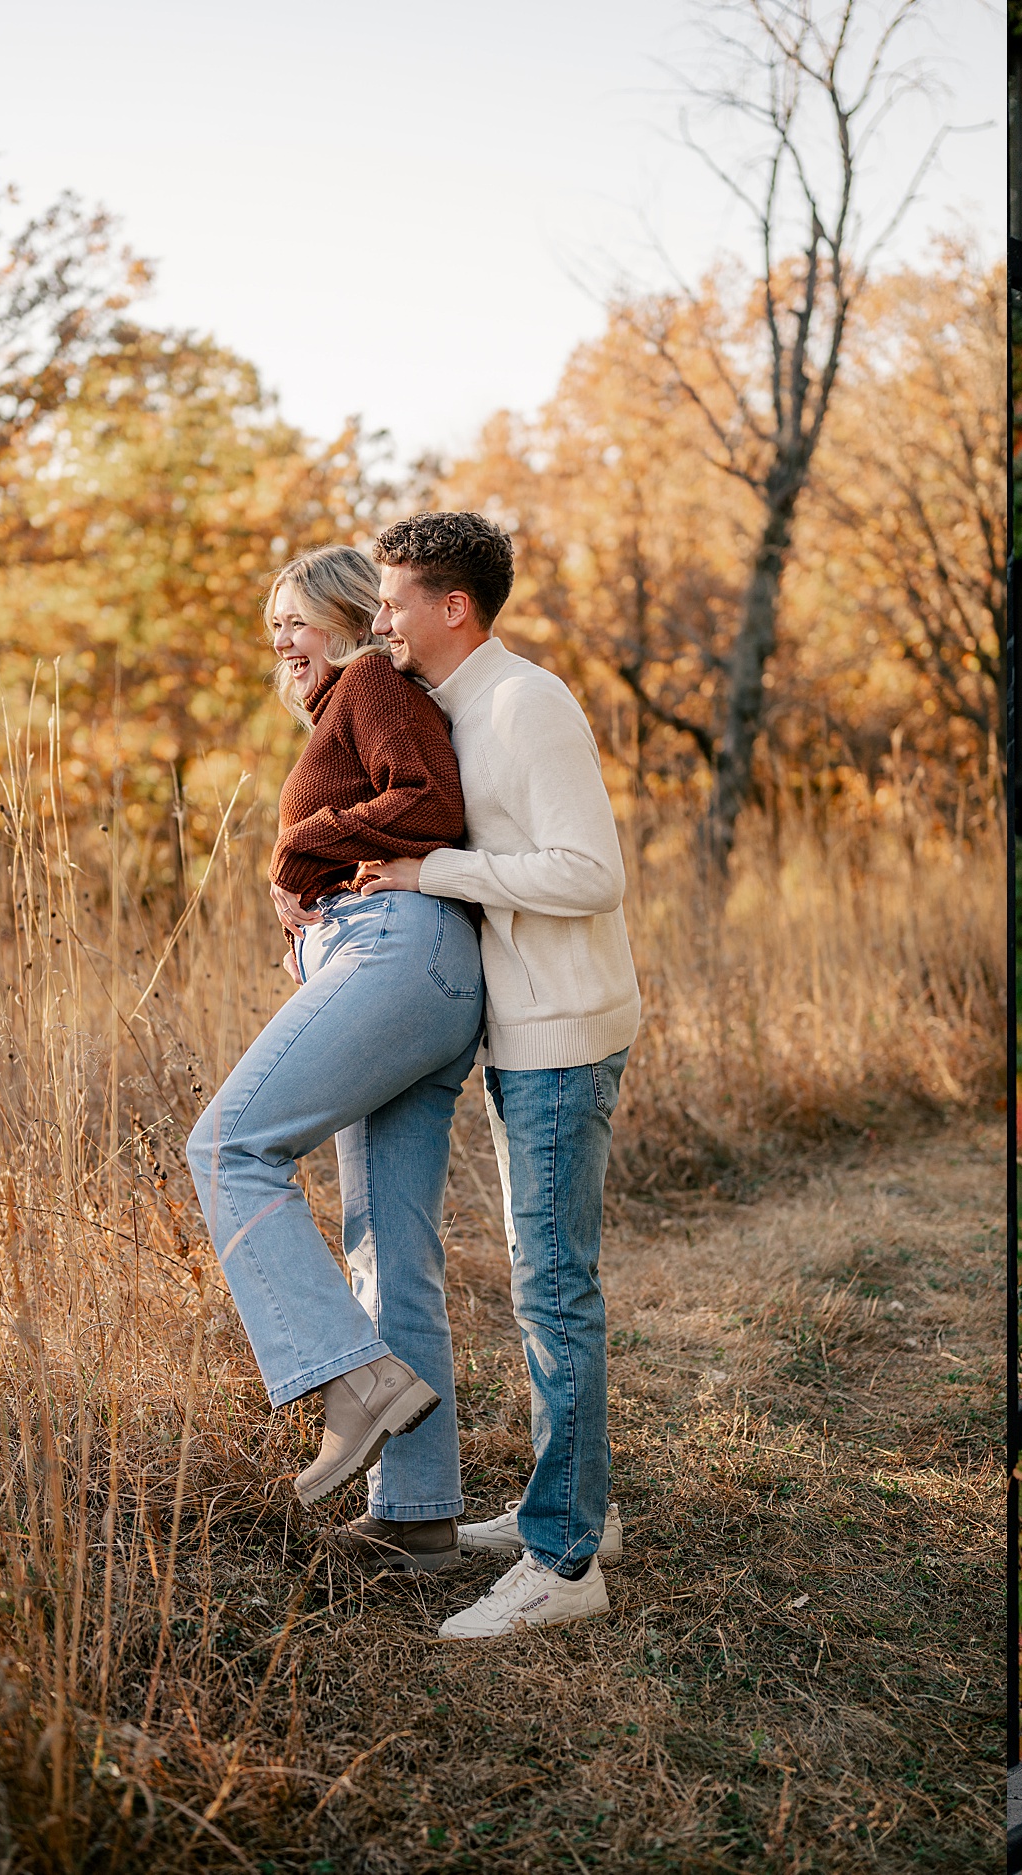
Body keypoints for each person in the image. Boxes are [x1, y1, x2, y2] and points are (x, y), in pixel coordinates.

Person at [352, 510, 642, 1641]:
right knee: (547, 1284)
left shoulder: (527, 704)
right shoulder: (453, 706)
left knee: (552, 1294)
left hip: (562, 1034)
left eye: (393, 601)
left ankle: (565, 1566)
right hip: (527, 1028)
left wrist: (438, 872)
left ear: (452, 606)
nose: (382, 621)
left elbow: (590, 871)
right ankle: (580, 1510)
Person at [187, 546, 483, 1550]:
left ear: (352, 617)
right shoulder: (351, 706)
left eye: (299, 619)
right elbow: (379, 827)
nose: (283, 640)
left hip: (399, 960)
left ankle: (352, 1380)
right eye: (274, 626)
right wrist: (303, 898)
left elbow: (431, 802)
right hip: (414, 972)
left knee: (226, 1147)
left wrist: (296, 849)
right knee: (390, 1252)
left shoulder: (371, 682)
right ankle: (416, 1520)